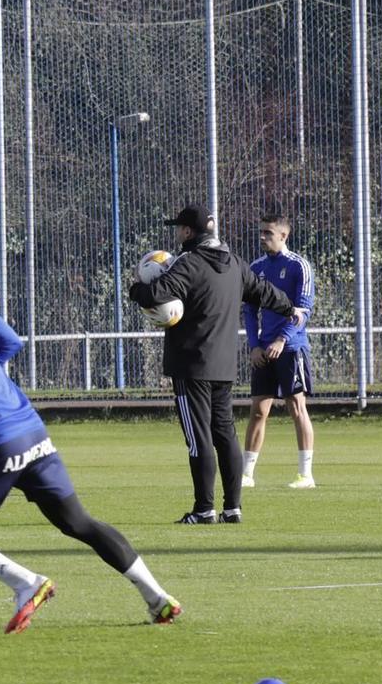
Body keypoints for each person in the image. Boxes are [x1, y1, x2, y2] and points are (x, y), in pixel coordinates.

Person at [0, 242, 183, 632]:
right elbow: (9, 342)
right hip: (31, 430)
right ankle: (158, 598)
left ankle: (27, 583)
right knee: (80, 523)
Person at [128, 205, 302, 524]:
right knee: (224, 434)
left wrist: (135, 287)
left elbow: (153, 294)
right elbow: (264, 292)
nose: (177, 233)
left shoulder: (189, 264)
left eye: (180, 228)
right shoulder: (235, 263)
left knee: (198, 437)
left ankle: (203, 509)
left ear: (189, 232)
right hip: (223, 366)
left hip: (190, 365)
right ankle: (233, 507)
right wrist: (291, 308)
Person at [241, 212, 316, 490]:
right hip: (263, 351)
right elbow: (249, 310)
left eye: (268, 233)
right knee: (258, 411)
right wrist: (254, 345)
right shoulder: (256, 267)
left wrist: (282, 340)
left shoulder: (299, 266)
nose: (262, 237)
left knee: (296, 407)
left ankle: (305, 474)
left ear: (283, 236)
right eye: (261, 232)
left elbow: (303, 311)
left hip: (291, 348)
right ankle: (247, 474)